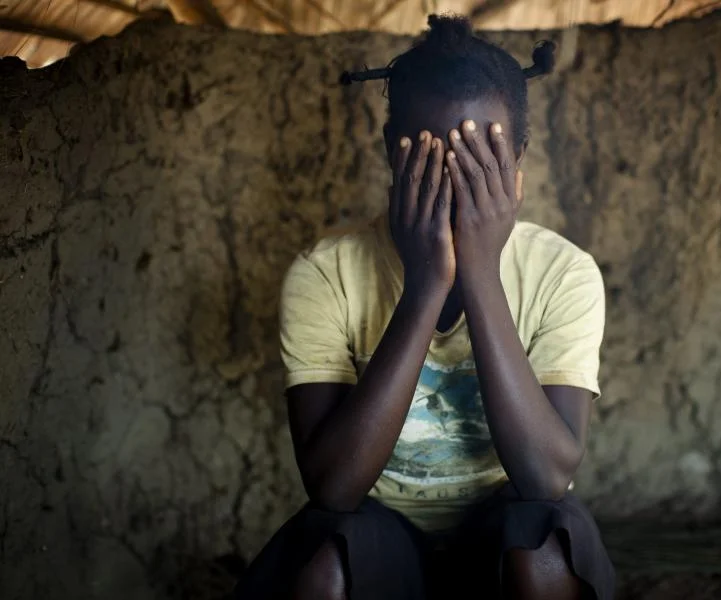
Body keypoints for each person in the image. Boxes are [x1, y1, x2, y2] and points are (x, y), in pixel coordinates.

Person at [235, 14, 614, 600]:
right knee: (323, 567)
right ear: (394, 153)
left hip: (499, 530)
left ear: (517, 163)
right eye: (434, 159)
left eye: (480, 161)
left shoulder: (564, 273)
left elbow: (546, 478)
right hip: (383, 536)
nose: (457, 183)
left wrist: (480, 272)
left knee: (542, 553)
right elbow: (333, 489)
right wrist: (426, 284)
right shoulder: (324, 274)